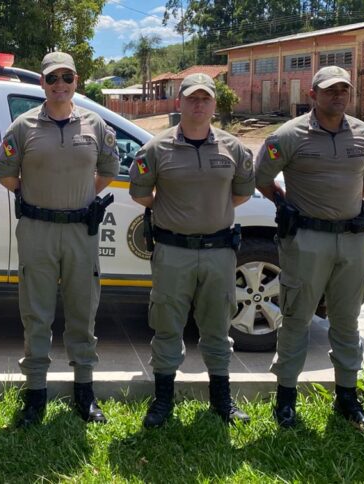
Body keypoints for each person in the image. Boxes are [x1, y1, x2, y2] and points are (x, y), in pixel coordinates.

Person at [255, 66, 364, 429]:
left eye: (344, 89)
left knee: (347, 320)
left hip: (352, 240)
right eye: (330, 90)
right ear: (313, 94)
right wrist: (283, 203)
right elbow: (262, 176)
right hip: (306, 241)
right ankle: (285, 399)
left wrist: (342, 207)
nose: (338, 96)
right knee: (296, 318)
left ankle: (347, 397)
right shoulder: (289, 135)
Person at [0, 52, 120, 426]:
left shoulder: (95, 125)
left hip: (81, 231)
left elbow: (108, 170)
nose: (60, 84)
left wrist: (79, 197)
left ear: (76, 81)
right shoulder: (23, 126)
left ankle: (84, 390)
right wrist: (42, 199)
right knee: (36, 312)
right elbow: (7, 175)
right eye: (53, 78)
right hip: (38, 230)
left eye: (67, 77)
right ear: (42, 84)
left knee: (83, 310)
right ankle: (35, 393)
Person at [129, 73, 255, 427]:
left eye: (205, 99)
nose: (198, 105)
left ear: (214, 104)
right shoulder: (156, 149)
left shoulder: (233, 148)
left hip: (219, 252)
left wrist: (208, 213)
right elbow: (141, 194)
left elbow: (241, 193)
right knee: (167, 325)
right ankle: (163, 400)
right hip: (173, 252)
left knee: (216, 327)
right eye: (192, 98)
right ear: (179, 102)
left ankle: (222, 400)